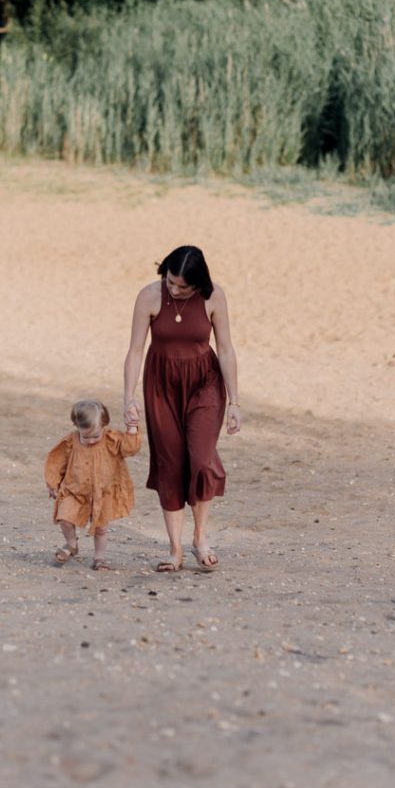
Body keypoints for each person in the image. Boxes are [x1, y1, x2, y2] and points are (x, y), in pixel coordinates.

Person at [123, 245, 240, 572]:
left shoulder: (214, 297)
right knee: (170, 462)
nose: (174, 289)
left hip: (204, 381)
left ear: (198, 283)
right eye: (171, 282)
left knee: (202, 460)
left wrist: (235, 401)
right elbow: (135, 351)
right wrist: (127, 397)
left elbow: (227, 349)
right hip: (161, 384)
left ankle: (200, 537)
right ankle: (175, 549)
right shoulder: (149, 297)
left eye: (182, 287)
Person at [44, 399, 140, 571]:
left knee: (100, 529)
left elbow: (130, 448)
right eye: (85, 436)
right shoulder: (71, 442)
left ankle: (99, 558)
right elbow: (56, 461)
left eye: (96, 436)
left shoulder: (112, 440)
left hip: (102, 493)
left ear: (104, 425)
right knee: (64, 519)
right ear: (76, 425)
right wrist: (53, 483)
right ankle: (71, 545)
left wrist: (132, 426)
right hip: (74, 491)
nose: (90, 441)